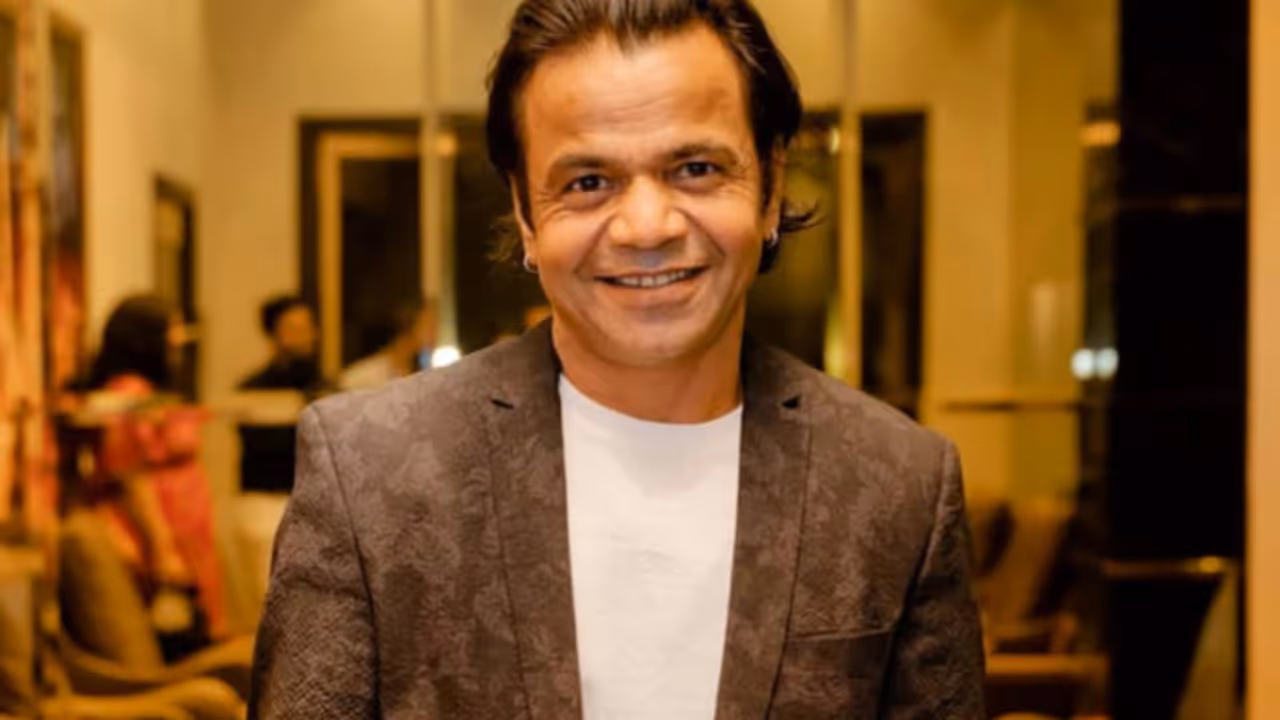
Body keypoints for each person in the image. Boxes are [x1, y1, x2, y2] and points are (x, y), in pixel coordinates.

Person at [251, 0, 985, 717]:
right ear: (525, 214)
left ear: (770, 187)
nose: (645, 227)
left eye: (695, 167)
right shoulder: (371, 476)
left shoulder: (898, 486)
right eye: (588, 183)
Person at [80, 294, 227, 643]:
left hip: (182, 529)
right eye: (171, 328)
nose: (179, 337)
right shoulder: (129, 393)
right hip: (160, 530)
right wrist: (163, 549)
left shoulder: (151, 392)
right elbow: (131, 474)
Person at [338, 298, 436, 390]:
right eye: (428, 325)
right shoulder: (361, 378)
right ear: (408, 328)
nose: (434, 333)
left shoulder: (419, 374)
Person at [239, 295, 323, 393]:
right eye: (296, 330)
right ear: (274, 335)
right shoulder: (254, 392)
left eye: (309, 329)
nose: (309, 337)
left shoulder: (325, 390)